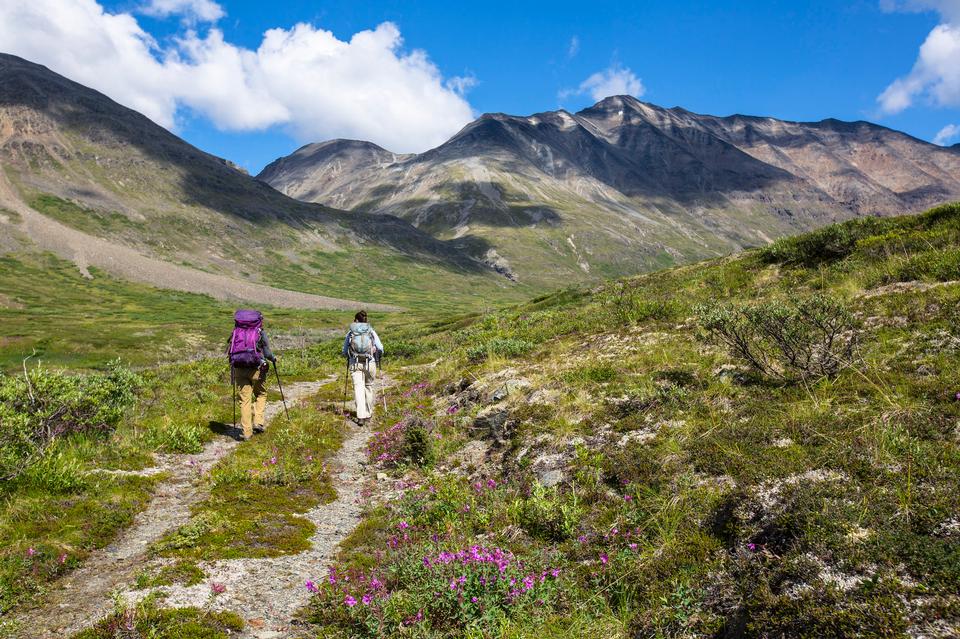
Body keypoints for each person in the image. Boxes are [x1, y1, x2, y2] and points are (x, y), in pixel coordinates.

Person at [227, 309, 276, 441]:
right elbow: (267, 353)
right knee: (261, 394)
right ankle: (258, 422)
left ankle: (247, 432)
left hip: (239, 369)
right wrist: (273, 359)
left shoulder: (236, 332)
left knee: (245, 400)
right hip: (257, 369)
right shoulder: (260, 332)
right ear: (258, 320)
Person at [342, 310, 383, 424]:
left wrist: (348, 356)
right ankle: (368, 414)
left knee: (358, 389)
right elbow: (380, 347)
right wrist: (377, 355)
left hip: (355, 364)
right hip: (370, 363)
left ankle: (361, 416)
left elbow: (344, 350)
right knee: (368, 387)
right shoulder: (371, 331)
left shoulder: (351, 333)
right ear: (366, 320)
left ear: (355, 320)